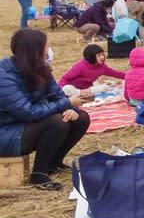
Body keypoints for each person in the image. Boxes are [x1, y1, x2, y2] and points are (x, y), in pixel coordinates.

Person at [0, 29, 89, 190]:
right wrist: (65, 104)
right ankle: (38, 175)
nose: (49, 50)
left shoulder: (40, 67)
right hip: (6, 132)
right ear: (34, 51)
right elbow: (27, 112)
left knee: (80, 117)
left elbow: (58, 95)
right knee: (57, 122)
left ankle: (53, 162)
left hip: (23, 125)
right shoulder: (4, 76)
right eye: (46, 46)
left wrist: (69, 108)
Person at [58, 44, 126, 96]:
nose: (102, 57)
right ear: (91, 57)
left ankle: (82, 94)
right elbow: (64, 78)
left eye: (102, 54)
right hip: (73, 90)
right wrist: (60, 92)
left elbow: (116, 73)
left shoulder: (102, 67)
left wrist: (131, 76)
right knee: (67, 88)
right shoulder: (80, 66)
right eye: (98, 56)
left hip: (87, 90)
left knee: (105, 87)